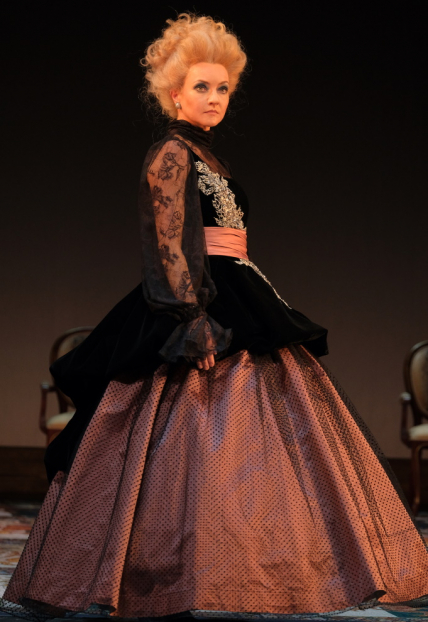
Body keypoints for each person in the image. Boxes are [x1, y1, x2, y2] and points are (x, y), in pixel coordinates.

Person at [2, 12, 428, 621]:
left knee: (265, 437)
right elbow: (167, 244)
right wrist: (189, 318)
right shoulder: (171, 153)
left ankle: (260, 574)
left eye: (223, 87)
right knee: (188, 437)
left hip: (239, 287)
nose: (214, 97)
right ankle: (169, 580)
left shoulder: (206, 154)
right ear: (173, 94)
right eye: (201, 86)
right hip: (201, 299)